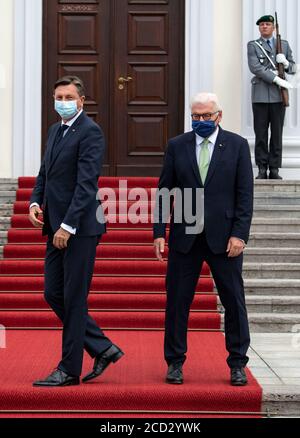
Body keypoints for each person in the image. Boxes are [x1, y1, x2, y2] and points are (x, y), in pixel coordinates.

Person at [153, 93, 253, 386]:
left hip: (225, 240)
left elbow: (244, 194)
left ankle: (237, 363)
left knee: (234, 302)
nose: (200, 121)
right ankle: (174, 362)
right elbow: (164, 192)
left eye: (206, 116)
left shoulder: (236, 145)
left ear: (218, 116)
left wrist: (240, 234)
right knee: (177, 303)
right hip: (185, 237)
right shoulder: (177, 146)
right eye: (195, 117)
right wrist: (159, 232)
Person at [29, 76, 124, 387]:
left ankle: (69, 369)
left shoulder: (90, 132)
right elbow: (45, 171)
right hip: (55, 223)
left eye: (69, 96)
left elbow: (86, 185)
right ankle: (102, 348)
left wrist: (67, 226)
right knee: (52, 292)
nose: (63, 100)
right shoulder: (55, 130)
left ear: (82, 101)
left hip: (79, 228)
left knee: (73, 298)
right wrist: (34, 201)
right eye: (59, 95)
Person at [247, 14, 296, 180]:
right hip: (260, 95)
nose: (264, 27)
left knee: (277, 133)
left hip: (278, 96)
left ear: (273, 28)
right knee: (260, 134)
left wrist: (287, 64)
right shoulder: (253, 45)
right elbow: (255, 67)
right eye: (261, 25)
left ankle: (274, 168)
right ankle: (262, 168)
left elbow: (293, 68)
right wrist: (275, 77)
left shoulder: (284, 45)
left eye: (267, 24)